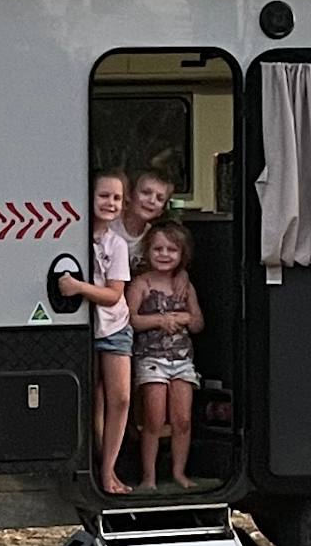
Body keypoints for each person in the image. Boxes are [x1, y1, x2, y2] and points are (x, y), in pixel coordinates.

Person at [58, 173, 136, 495]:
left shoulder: (117, 244)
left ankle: (109, 469)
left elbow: (114, 295)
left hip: (115, 327)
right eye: (104, 196)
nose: (110, 203)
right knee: (91, 398)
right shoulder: (72, 239)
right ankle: (93, 467)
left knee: (120, 398)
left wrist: (78, 287)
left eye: (117, 198)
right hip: (83, 328)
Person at [128, 220, 204, 489]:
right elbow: (130, 320)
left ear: (182, 254)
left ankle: (179, 473)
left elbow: (198, 324)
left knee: (182, 420)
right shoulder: (141, 284)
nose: (164, 254)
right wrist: (160, 321)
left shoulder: (185, 286)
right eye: (158, 249)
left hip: (182, 360)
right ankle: (149, 477)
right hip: (151, 359)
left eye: (172, 250)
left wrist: (184, 318)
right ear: (147, 251)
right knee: (154, 419)